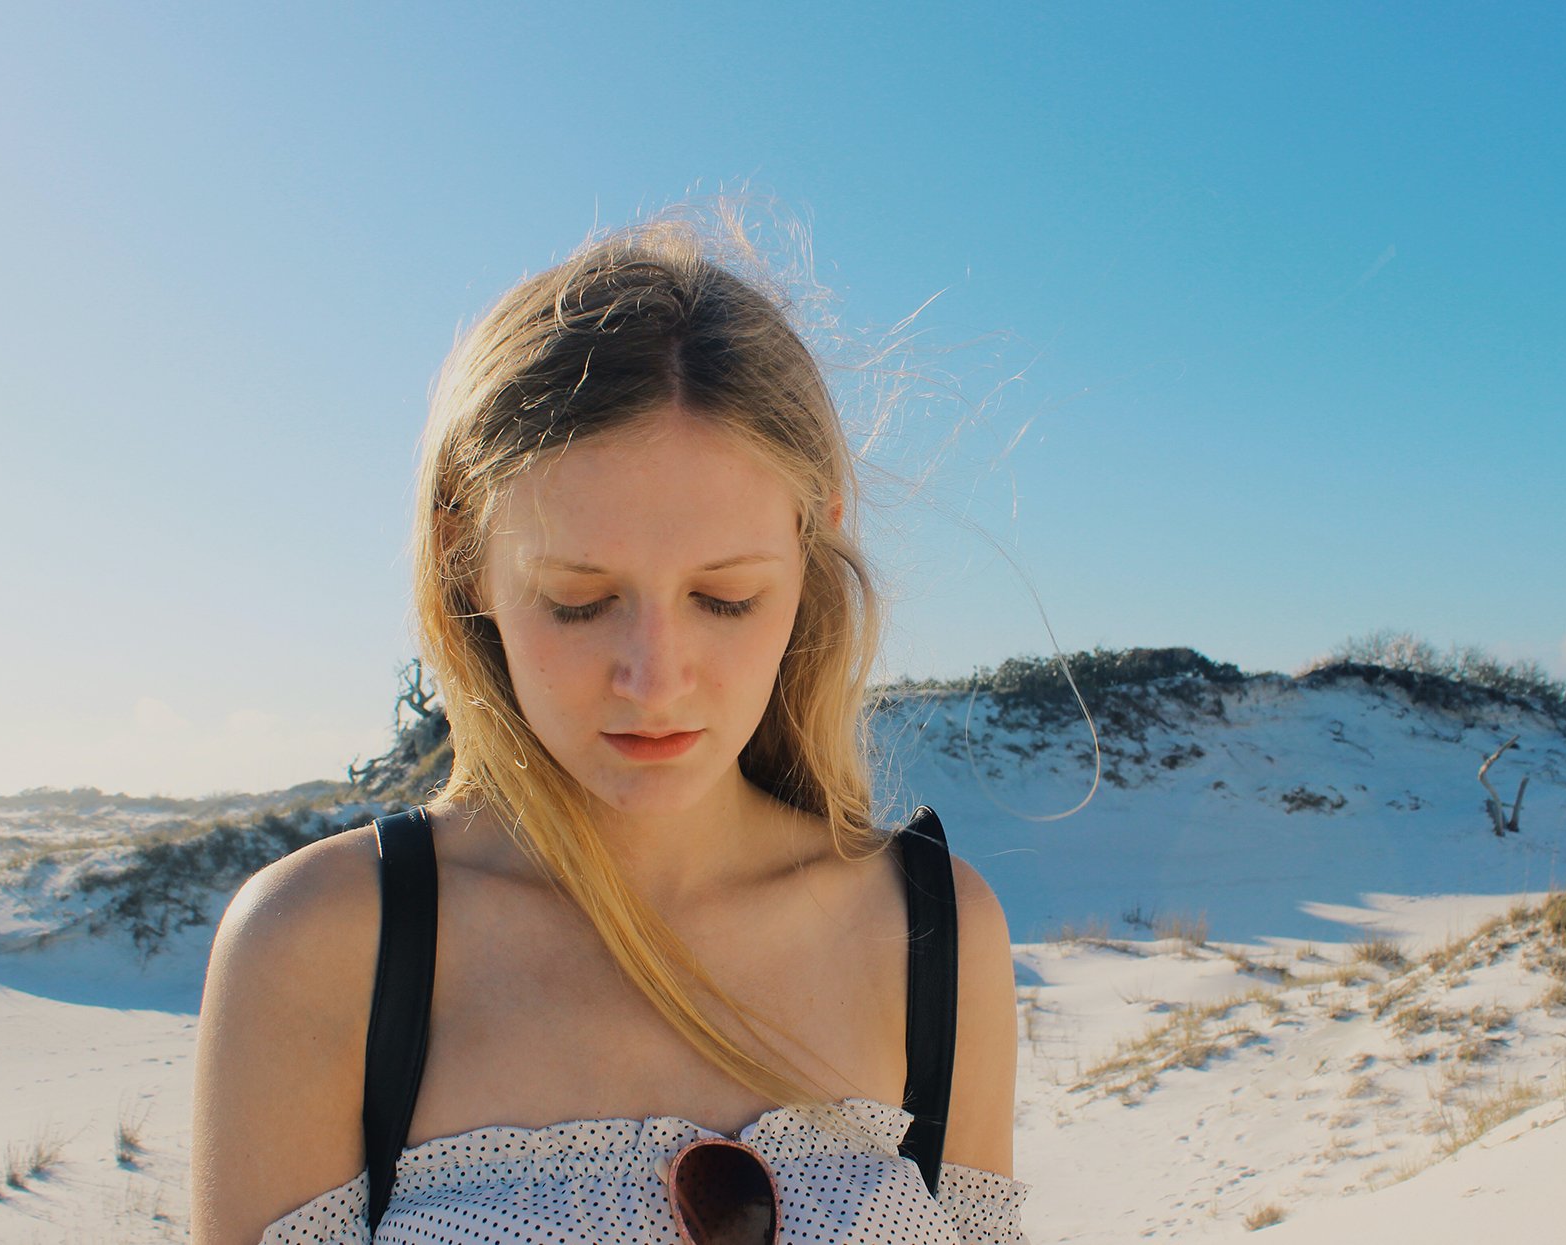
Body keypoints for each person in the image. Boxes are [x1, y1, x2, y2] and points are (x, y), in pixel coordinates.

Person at [190, 214, 1027, 1244]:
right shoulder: (323, 950)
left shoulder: (936, 937)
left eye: (724, 598)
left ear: (813, 541)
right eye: (579, 601)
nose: (653, 680)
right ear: (463, 556)